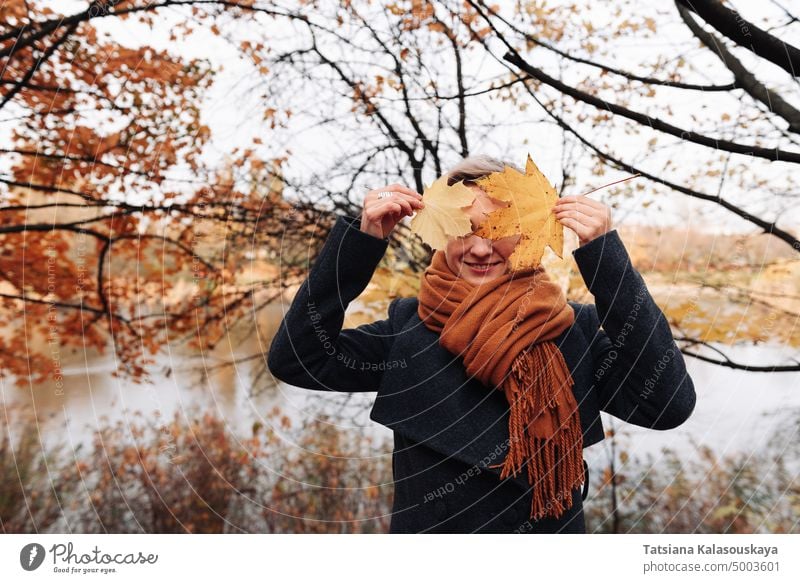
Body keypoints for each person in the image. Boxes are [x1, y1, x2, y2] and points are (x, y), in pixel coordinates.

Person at [267, 154, 696, 533]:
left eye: (495, 229)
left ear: (527, 232)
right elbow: (298, 360)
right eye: (462, 229)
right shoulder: (408, 328)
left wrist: (607, 263)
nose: (478, 248)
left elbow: (667, 404)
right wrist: (359, 247)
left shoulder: (571, 330)